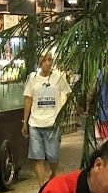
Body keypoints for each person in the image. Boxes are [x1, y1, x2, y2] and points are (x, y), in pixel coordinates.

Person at [22, 53, 72, 184]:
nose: (48, 63)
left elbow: (68, 93)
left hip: (52, 123)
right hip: (35, 123)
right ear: (40, 62)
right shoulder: (32, 78)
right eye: (44, 60)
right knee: (37, 157)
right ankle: (42, 187)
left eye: (50, 60)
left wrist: (63, 111)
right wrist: (25, 122)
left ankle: (53, 173)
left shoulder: (58, 78)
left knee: (52, 156)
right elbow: (28, 99)